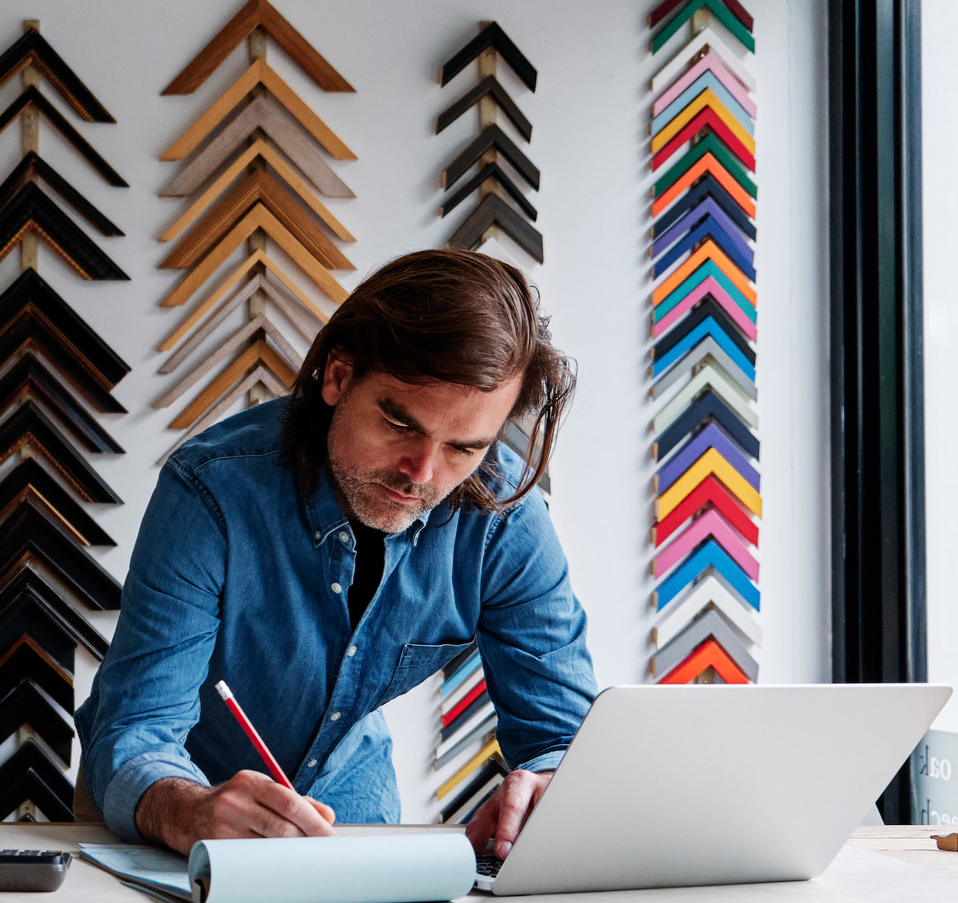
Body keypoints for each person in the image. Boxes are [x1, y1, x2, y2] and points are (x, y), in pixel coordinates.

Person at [76, 249, 595, 859]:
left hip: (353, 809)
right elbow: (138, 727)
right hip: (173, 810)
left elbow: (564, 739)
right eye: (401, 424)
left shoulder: (505, 518)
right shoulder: (213, 489)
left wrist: (544, 795)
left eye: (464, 447)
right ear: (338, 377)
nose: (422, 474)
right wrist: (188, 811)